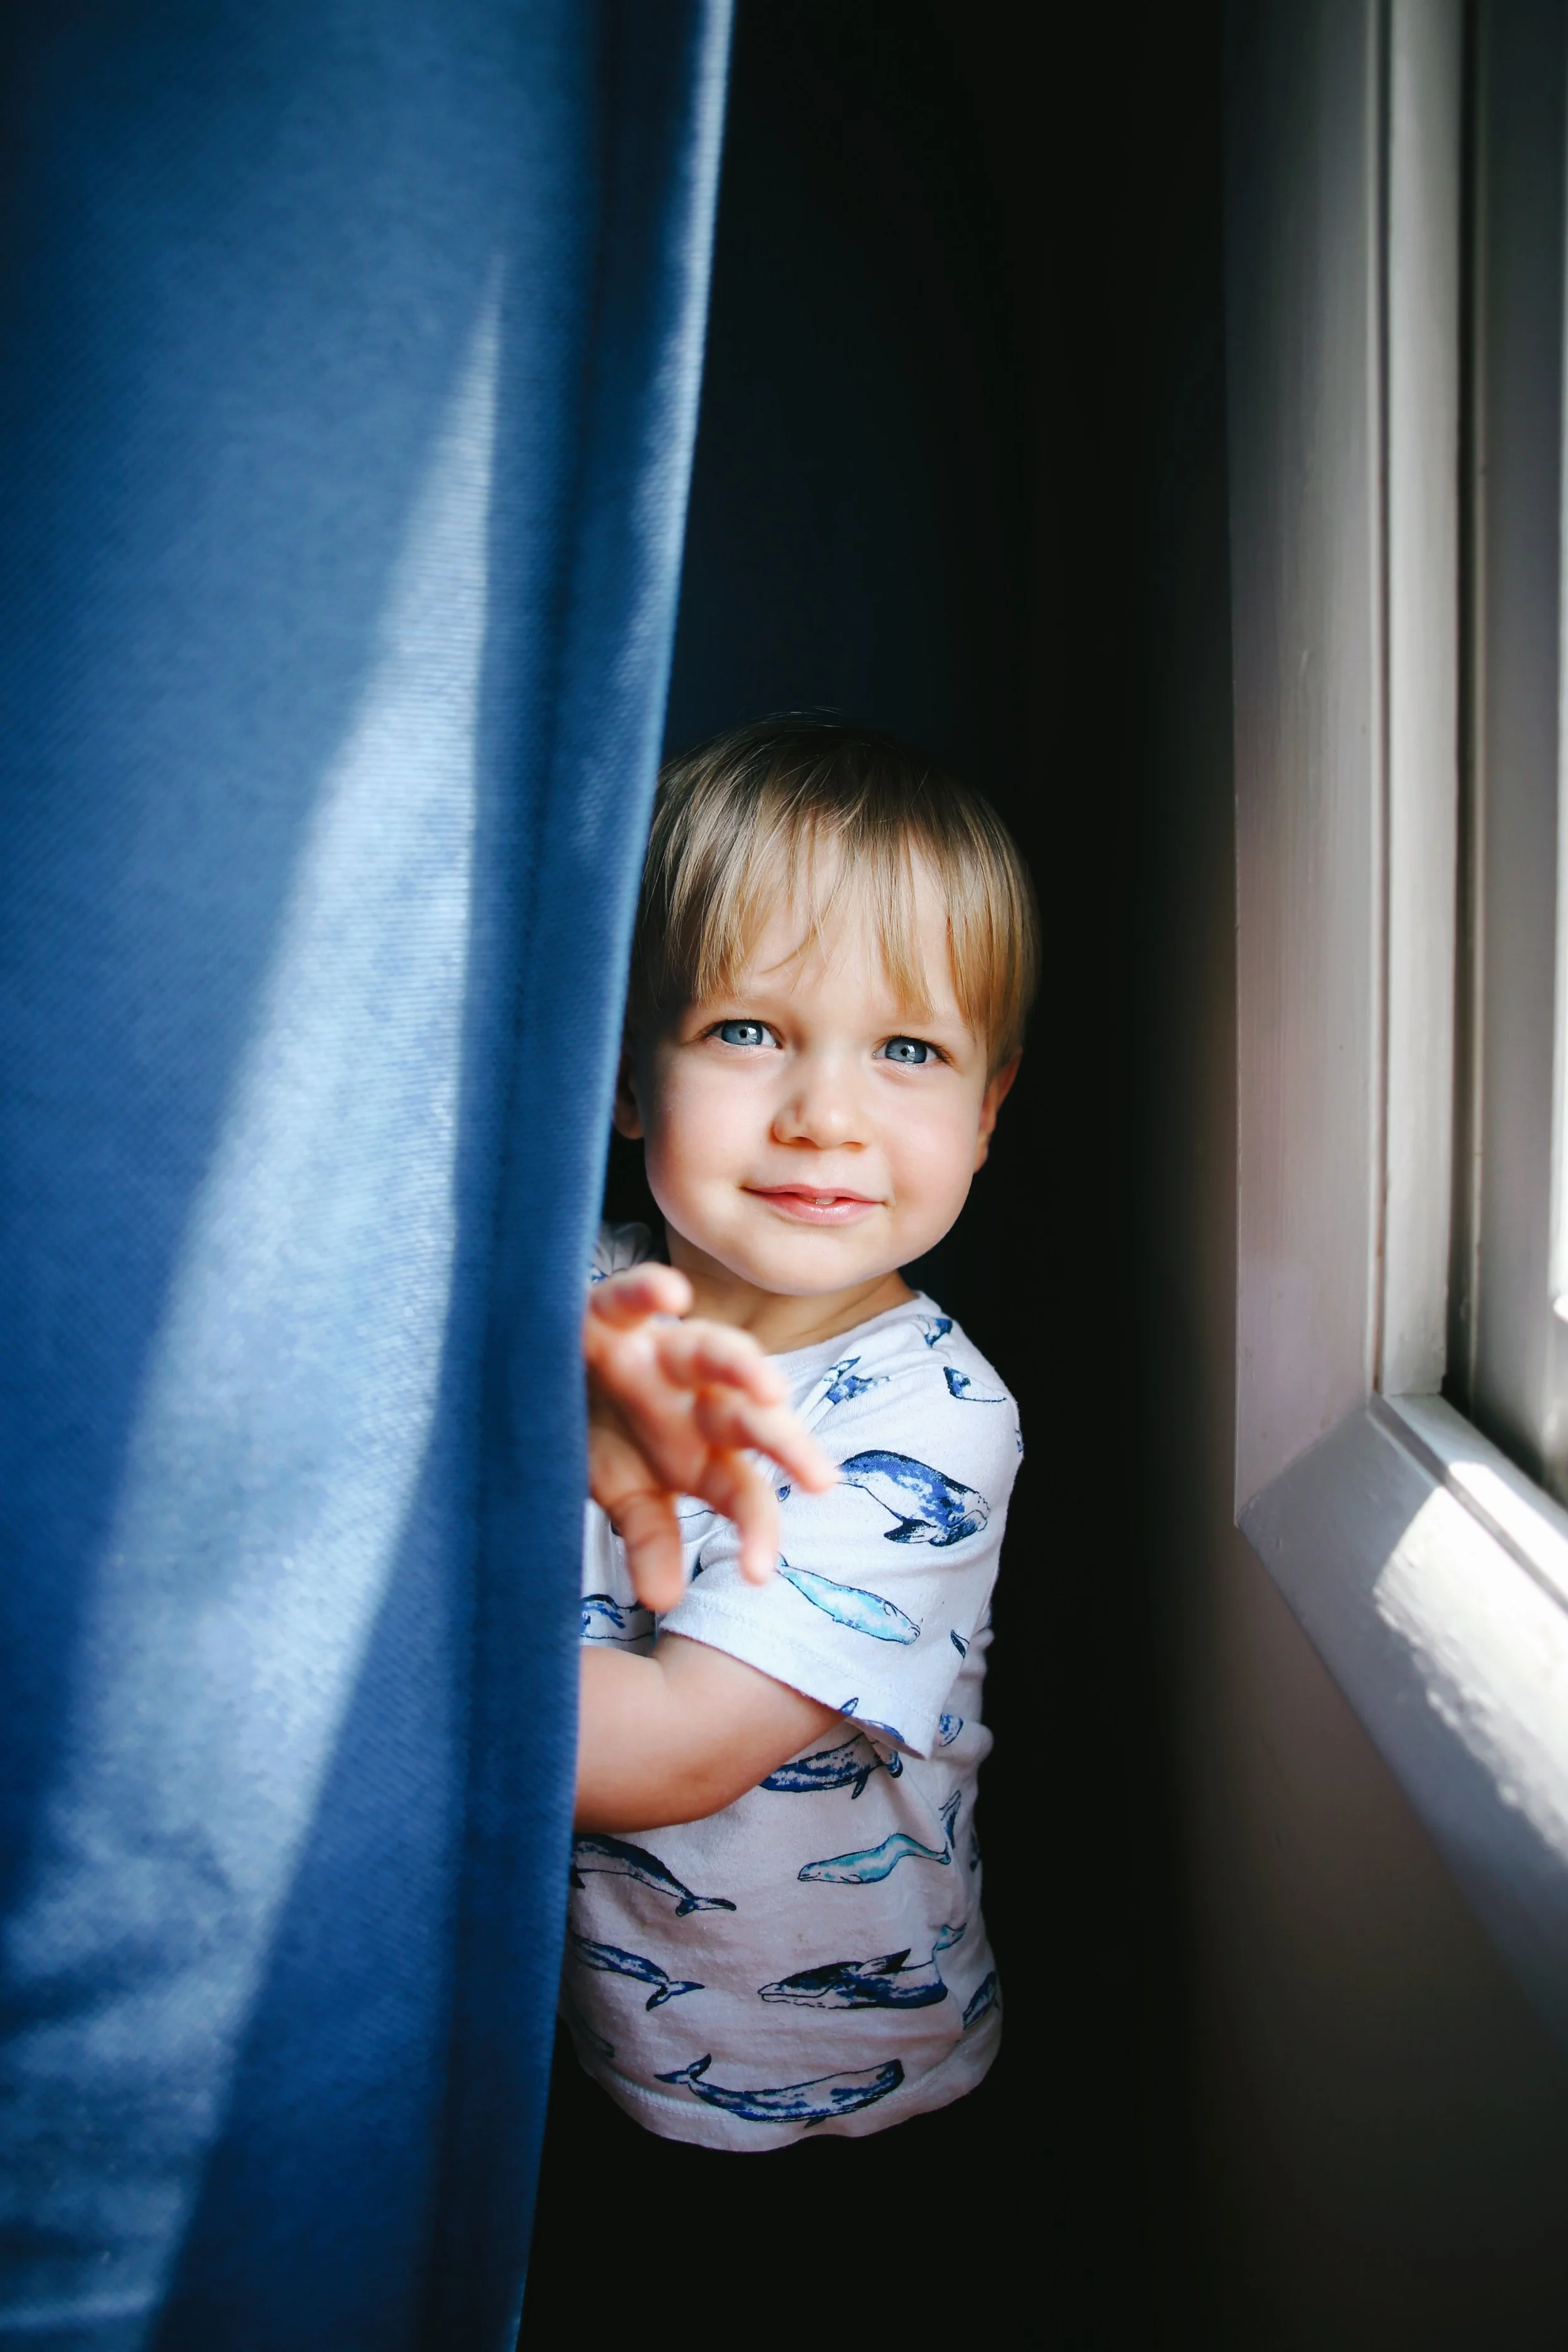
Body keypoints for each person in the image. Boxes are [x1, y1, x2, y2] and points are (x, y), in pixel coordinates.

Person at [559, 715, 1040, 2166]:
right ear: (634, 1075)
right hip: (598, 2034)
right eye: (746, 1031)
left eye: (906, 1048)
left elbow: (664, 1754)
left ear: (984, 1114)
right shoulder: (561, 1292)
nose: (824, 1114)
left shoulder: (935, 1426)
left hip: (846, 2094)